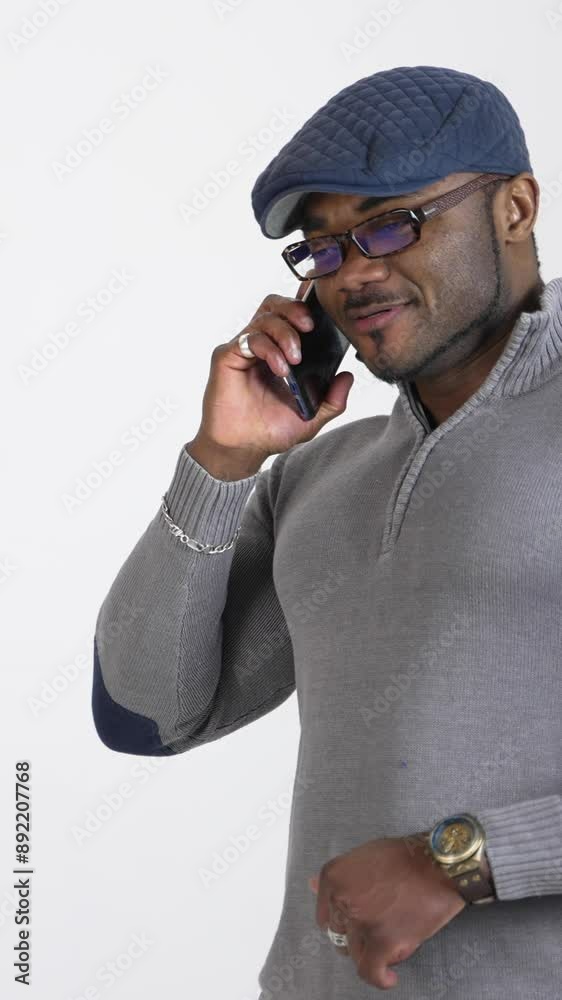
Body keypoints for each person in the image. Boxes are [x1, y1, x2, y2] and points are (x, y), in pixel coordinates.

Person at [92, 65, 561, 997]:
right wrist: (221, 464)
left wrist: (465, 861)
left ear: (515, 209)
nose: (355, 272)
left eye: (393, 224)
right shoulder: (321, 477)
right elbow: (144, 718)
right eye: (324, 249)